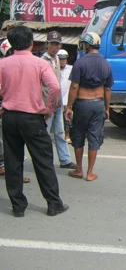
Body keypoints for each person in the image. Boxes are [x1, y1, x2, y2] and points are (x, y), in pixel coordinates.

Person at [0, 26, 68, 217]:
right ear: (31, 42)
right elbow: (54, 86)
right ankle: (54, 203)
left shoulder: (3, 64)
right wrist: (49, 108)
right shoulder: (40, 64)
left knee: (13, 162)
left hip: (10, 116)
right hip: (33, 117)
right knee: (43, 161)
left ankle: (18, 206)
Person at [65, 32, 113, 181]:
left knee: (78, 135)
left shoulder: (80, 63)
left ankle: (79, 169)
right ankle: (90, 172)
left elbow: (74, 87)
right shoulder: (106, 63)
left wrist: (69, 107)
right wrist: (107, 108)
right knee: (94, 137)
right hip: (98, 104)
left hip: (82, 104)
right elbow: (107, 89)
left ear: (87, 45)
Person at [41, 31, 76, 169]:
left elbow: (58, 85)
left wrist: (61, 104)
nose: (54, 47)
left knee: (60, 133)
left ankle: (65, 159)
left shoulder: (56, 60)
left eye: (56, 44)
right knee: (44, 135)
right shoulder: (43, 61)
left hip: (57, 103)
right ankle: (44, 160)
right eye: (52, 44)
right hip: (46, 104)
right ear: (47, 44)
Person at [0, 39, 30, 184]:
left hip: (10, 112)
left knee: (10, 147)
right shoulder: (6, 65)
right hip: (19, 112)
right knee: (14, 148)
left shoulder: (5, 65)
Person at [57, 49, 73, 143]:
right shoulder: (53, 68)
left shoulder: (71, 69)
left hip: (66, 98)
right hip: (55, 99)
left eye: (64, 59)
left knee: (67, 119)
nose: (62, 61)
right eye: (60, 59)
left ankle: (67, 136)